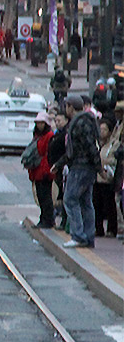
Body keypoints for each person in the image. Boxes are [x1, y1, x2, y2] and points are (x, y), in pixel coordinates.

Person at [56, 95, 100, 248]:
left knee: (70, 198)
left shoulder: (81, 123)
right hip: (84, 167)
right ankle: (88, 236)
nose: (65, 109)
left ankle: (79, 235)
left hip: (81, 167)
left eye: (66, 106)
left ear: (70, 107)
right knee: (85, 201)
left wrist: (98, 166)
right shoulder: (85, 120)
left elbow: (89, 147)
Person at [25, 112, 56, 228]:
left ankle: (48, 219)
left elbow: (45, 151)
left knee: (45, 196)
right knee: (40, 195)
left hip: (45, 170)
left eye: (41, 123)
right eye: (38, 123)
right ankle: (43, 218)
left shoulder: (49, 136)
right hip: (37, 169)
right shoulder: (38, 135)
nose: (39, 125)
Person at [93, 117, 120, 239]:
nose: (102, 132)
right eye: (100, 129)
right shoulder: (96, 144)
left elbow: (113, 159)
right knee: (96, 204)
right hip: (97, 178)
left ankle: (111, 229)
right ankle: (98, 228)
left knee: (109, 205)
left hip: (108, 178)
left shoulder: (113, 144)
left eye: (104, 129)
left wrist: (102, 162)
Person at [48, 110, 69, 230]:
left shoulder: (65, 134)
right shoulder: (57, 133)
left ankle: (65, 222)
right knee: (60, 195)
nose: (57, 123)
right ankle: (63, 221)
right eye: (56, 121)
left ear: (66, 120)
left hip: (63, 168)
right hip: (56, 168)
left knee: (64, 196)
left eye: (59, 121)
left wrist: (59, 164)